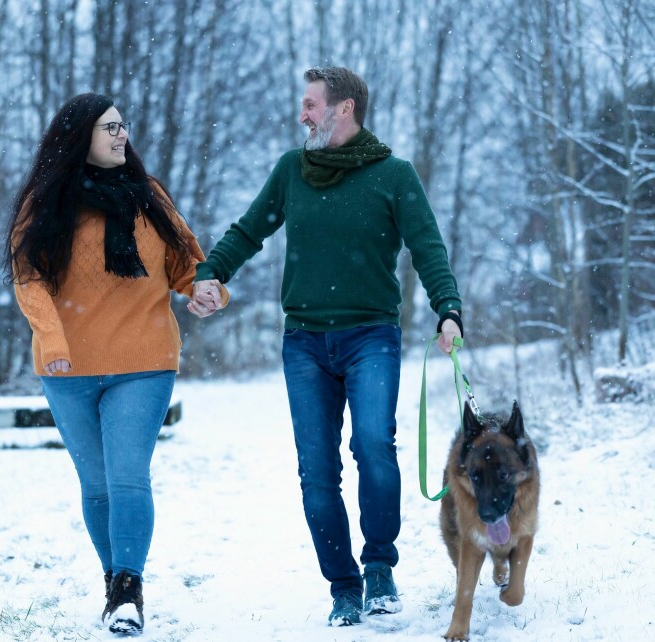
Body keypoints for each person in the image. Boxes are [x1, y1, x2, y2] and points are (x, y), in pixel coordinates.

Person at [190, 67, 463, 627]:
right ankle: (343, 586)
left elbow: (427, 246)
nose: (302, 115)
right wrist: (210, 273)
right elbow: (249, 230)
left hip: (372, 337)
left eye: (311, 104)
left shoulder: (394, 175)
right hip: (305, 343)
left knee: (373, 449)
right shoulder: (294, 170)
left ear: (344, 109)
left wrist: (449, 310)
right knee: (317, 471)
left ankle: (380, 567)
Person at [4, 93, 226, 635]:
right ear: (79, 137)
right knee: (96, 487)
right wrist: (52, 341)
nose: (121, 135)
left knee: (127, 477)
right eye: (109, 128)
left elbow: (186, 264)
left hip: (143, 360)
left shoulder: (147, 197)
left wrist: (206, 291)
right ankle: (113, 581)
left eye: (123, 126)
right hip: (67, 367)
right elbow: (28, 279)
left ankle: (128, 589)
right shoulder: (45, 202)